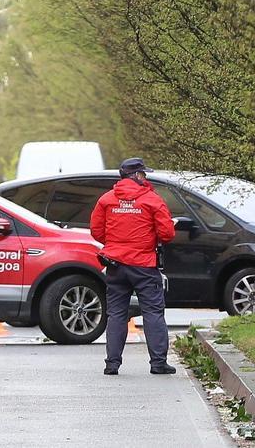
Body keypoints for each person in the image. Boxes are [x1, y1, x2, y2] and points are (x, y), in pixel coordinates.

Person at [90, 158, 176, 375]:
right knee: (153, 312)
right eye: (143, 174)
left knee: (116, 314)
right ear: (137, 176)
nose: (145, 177)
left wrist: (116, 244)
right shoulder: (152, 200)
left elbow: (97, 231)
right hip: (145, 265)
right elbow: (167, 234)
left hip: (116, 265)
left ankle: (112, 364)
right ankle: (158, 363)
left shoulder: (107, 200)